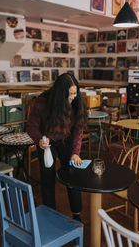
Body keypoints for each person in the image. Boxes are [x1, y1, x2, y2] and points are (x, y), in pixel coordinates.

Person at [27, 73, 87, 221]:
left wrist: (75, 153)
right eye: (70, 94)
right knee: (47, 178)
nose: (73, 97)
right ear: (60, 94)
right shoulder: (43, 103)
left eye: (75, 93)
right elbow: (31, 126)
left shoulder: (76, 102)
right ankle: (50, 215)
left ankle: (77, 215)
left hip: (67, 140)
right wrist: (39, 140)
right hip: (47, 142)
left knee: (73, 175)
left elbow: (78, 130)